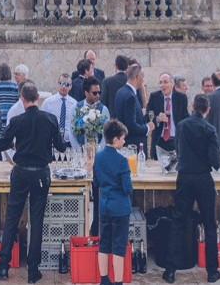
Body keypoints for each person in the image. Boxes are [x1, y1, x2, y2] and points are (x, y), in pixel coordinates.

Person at [0, 82, 67, 282]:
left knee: (11, 220)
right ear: (38, 99)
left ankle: (3, 267)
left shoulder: (17, 120)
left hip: (21, 172)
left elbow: (1, 144)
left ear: (22, 99)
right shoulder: (50, 119)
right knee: (37, 221)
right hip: (41, 174)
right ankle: (33, 271)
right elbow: (61, 147)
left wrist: (15, 142)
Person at [162, 93, 220, 284]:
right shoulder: (210, 129)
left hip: (185, 177)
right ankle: (212, 271)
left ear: (193, 107)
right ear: (207, 110)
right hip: (204, 178)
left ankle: (170, 270)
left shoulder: (182, 126)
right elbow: (216, 161)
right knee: (209, 224)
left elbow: (178, 150)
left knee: (179, 222)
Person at [95, 120, 133, 285]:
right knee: (118, 246)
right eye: (123, 138)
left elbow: (96, 182)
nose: (124, 141)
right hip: (120, 208)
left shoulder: (98, 157)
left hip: (104, 206)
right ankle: (118, 281)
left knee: (104, 243)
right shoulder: (122, 161)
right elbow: (127, 188)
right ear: (116, 139)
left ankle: (104, 279)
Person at [147, 73, 188, 159]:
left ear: (172, 83)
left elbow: (185, 118)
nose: (162, 85)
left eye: (165, 82)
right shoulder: (154, 96)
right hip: (159, 140)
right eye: (160, 82)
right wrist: (157, 119)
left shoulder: (181, 98)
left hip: (175, 140)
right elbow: (147, 116)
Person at [112, 63, 149, 149]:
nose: (143, 80)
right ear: (137, 77)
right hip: (133, 145)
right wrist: (147, 128)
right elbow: (131, 126)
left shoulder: (120, 92)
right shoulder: (130, 96)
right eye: (142, 77)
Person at [41, 74, 79, 148]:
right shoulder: (48, 102)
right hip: (51, 142)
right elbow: (42, 122)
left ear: (71, 87)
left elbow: (76, 124)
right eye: (61, 84)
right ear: (57, 84)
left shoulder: (75, 104)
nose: (64, 87)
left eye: (67, 85)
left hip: (69, 143)